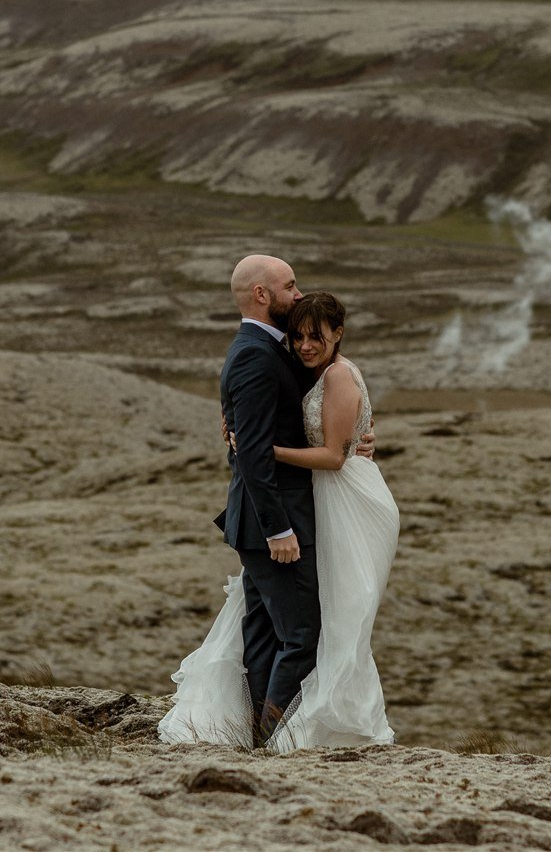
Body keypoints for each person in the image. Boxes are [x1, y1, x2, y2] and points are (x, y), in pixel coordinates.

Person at [160, 275, 398, 751]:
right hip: (286, 517)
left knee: (302, 624)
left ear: (339, 334)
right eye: (300, 335)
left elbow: (329, 447)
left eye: (317, 337)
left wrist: (282, 448)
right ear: (264, 295)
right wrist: (274, 509)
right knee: (282, 628)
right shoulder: (262, 354)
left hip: (335, 503)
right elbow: (264, 436)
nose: (306, 344)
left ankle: (265, 733)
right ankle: (266, 734)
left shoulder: (320, 368)